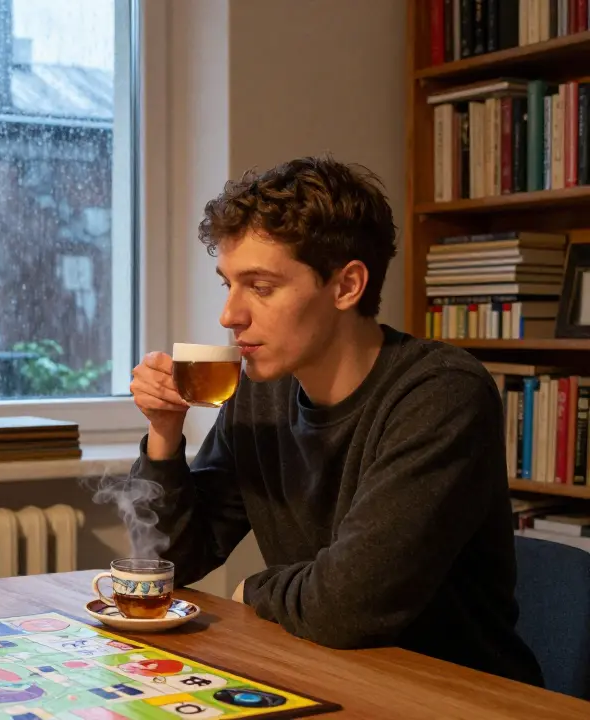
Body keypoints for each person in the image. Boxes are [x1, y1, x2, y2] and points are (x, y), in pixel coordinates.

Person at [128, 156, 544, 686]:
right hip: (329, 674)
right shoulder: (259, 391)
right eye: (228, 284)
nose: (229, 315)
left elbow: (350, 606)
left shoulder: (441, 394)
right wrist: (165, 433)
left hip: (451, 694)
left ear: (346, 286)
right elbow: (169, 562)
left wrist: (252, 589)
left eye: (261, 286)